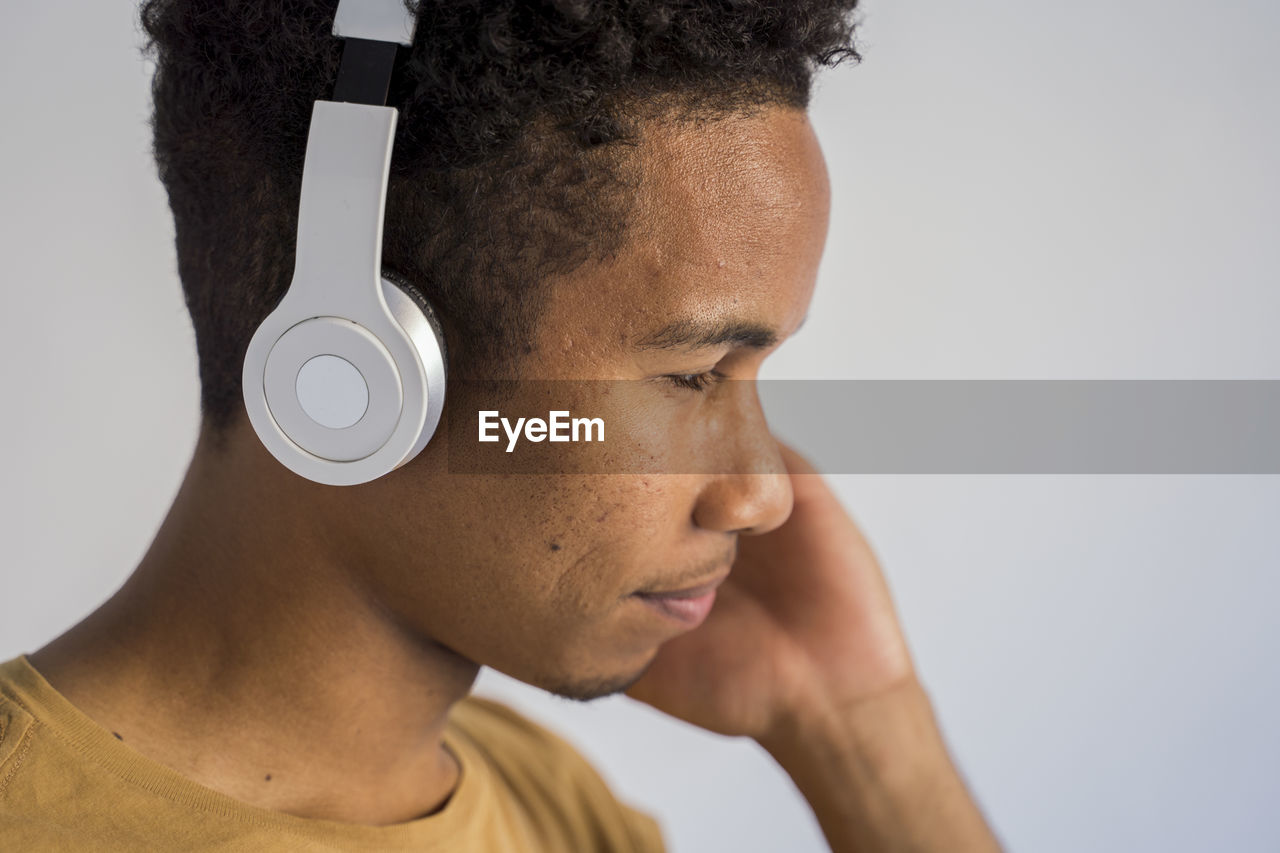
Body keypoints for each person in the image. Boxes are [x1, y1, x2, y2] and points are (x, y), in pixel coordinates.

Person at [0, 1, 1002, 850]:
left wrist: (858, 729)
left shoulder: (544, 797)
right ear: (355, 370)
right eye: (694, 374)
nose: (761, 492)